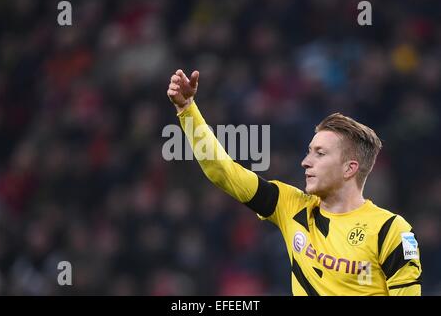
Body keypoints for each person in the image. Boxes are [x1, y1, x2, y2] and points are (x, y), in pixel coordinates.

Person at [166, 69, 422, 296]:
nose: (305, 162)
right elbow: (222, 171)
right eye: (309, 151)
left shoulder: (391, 231)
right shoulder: (291, 205)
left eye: (320, 154)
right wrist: (188, 111)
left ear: (350, 168)